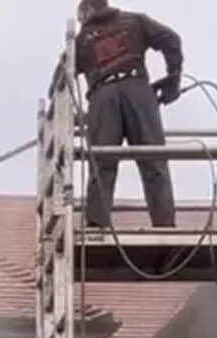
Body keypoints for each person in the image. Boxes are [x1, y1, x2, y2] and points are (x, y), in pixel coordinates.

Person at [75, 0, 183, 229]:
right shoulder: (135, 21)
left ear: (85, 12)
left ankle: (96, 226)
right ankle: (165, 226)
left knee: (101, 163)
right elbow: (171, 40)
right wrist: (173, 79)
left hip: (103, 97)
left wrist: (67, 118)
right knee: (154, 163)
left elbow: (60, 81)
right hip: (138, 92)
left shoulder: (80, 42)